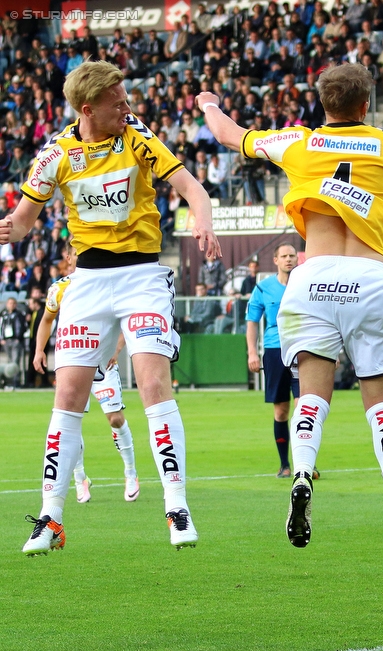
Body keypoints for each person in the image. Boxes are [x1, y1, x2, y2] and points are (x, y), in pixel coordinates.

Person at [197, 63, 383, 558]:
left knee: (312, 397)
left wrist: (208, 104)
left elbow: (227, 134)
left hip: (312, 279)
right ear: (366, 105)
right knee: (381, 401)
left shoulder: (296, 141)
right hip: (370, 278)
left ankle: (302, 474)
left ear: (322, 103)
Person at [2, 61, 219, 555]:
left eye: (127, 99)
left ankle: (176, 505)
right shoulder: (56, 154)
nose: (128, 108)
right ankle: (51, 518)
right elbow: (21, 222)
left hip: (142, 277)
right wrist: (9, 229)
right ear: (87, 109)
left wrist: (202, 220)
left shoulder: (137, 136)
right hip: (88, 283)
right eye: (118, 102)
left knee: (151, 383)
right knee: (69, 395)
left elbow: (191, 187)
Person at [33, 247, 141, 504]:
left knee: (115, 419)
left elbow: (127, 317)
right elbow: (47, 320)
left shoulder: (108, 283)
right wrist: (39, 350)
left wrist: (116, 347)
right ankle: (80, 477)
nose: (81, 255)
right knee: (71, 420)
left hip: (103, 366)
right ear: (68, 257)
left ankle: (130, 472)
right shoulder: (60, 288)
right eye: (76, 251)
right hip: (73, 364)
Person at [246, 243, 305, 479]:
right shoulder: (263, 288)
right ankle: (284, 464)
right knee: (281, 411)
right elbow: (252, 321)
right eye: (284, 256)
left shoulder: (306, 285)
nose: (289, 259)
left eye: (292, 256)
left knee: (305, 408)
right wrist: (252, 351)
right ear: (276, 260)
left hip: (303, 350)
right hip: (274, 351)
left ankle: (305, 465)